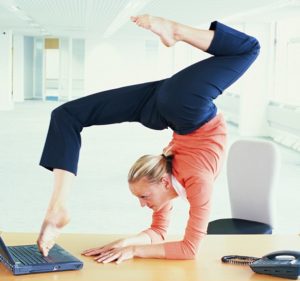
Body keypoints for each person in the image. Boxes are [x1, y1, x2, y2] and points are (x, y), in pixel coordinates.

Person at [37, 14, 260, 263]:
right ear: (164, 183)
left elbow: (165, 237)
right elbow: (185, 248)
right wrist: (129, 246)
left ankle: (58, 206)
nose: (143, 204)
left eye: (143, 196)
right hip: (178, 106)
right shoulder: (195, 181)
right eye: (143, 198)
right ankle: (57, 206)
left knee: (68, 115)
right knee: (249, 48)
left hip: (171, 108)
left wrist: (130, 247)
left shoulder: (167, 175)